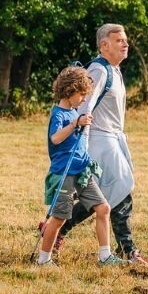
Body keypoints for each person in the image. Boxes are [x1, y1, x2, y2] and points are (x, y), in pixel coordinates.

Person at [55, 24, 148, 267]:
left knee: (102, 195)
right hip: (99, 139)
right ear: (104, 45)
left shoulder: (114, 70)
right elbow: (84, 106)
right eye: (118, 40)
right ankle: (128, 250)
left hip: (112, 138)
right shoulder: (98, 70)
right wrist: (81, 147)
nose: (125, 43)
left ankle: (57, 231)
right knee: (121, 188)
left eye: (125, 40)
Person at [35, 66, 122, 267]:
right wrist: (75, 124)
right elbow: (55, 138)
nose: (84, 99)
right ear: (70, 91)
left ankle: (105, 256)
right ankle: (43, 259)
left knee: (103, 208)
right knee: (59, 218)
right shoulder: (59, 115)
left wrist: (81, 122)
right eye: (82, 94)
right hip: (64, 173)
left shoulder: (74, 112)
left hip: (83, 171)